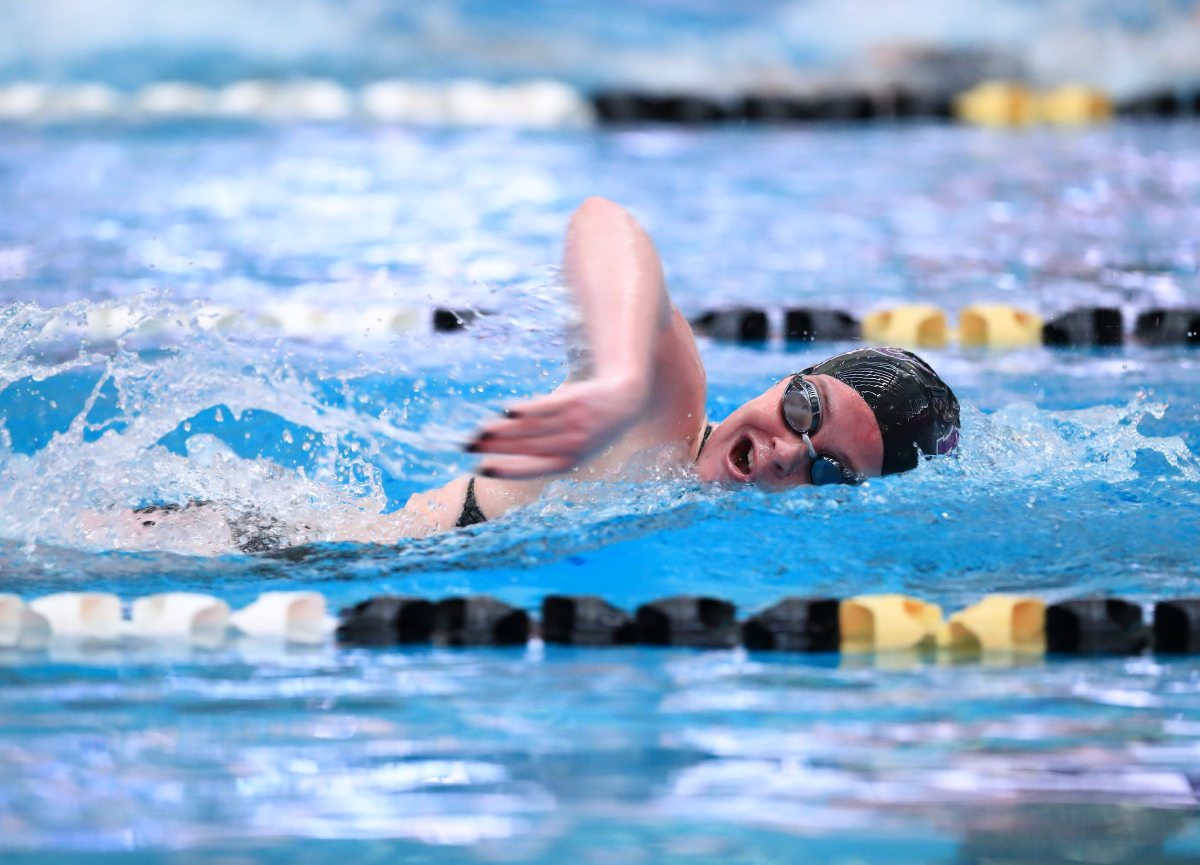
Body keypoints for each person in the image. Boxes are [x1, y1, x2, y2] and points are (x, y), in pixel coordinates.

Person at [109, 197, 960, 552]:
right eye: (805, 409)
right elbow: (605, 220)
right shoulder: (664, 417)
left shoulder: (690, 506)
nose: (784, 451)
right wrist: (623, 368)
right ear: (787, 378)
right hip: (236, 546)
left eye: (824, 470)